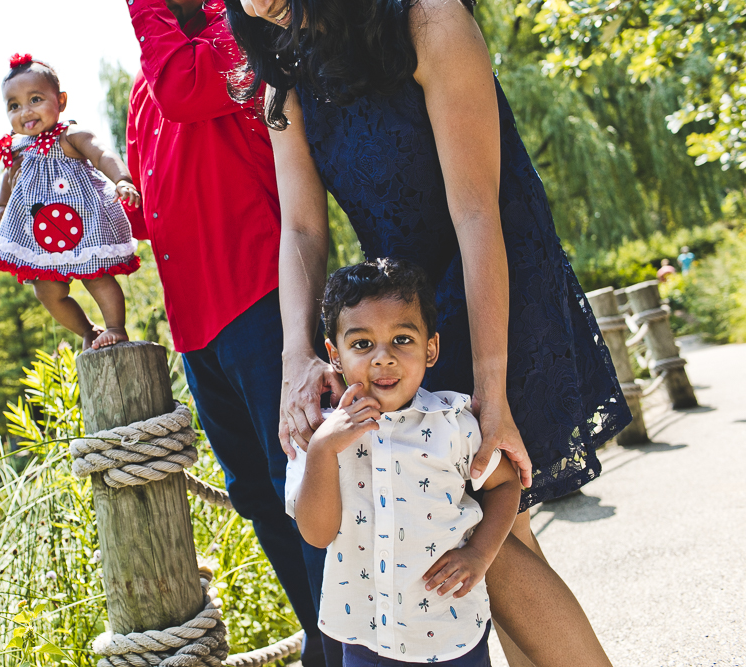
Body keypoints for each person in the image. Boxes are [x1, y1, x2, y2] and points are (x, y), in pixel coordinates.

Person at [223, 1, 631, 665]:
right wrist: (296, 355)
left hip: (497, 287)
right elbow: (301, 230)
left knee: (483, 521)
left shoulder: (429, 19)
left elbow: (477, 213)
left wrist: (492, 393)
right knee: (498, 533)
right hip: (411, 320)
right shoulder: (285, 82)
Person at [122, 3, 336, 665]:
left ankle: (352, 647)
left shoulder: (234, 31)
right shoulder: (147, 79)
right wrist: (65, 193)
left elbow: (186, 91)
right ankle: (323, 643)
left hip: (264, 302)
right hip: (196, 330)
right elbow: (150, 213)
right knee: (257, 496)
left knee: (300, 480)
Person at [286, 259, 521, 666]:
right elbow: (317, 535)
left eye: (402, 340)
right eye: (361, 344)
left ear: (430, 348)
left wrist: (480, 554)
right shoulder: (316, 437)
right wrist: (324, 450)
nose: (384, 358)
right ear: (334, 355)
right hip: (364, 637)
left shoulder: (453, 425)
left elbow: (505, 483)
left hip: (451, 632)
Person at [0, 53, 142, 351]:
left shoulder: (71, 136)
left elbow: (102, 155)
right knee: (46, 290)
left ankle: (115, 327)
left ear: (61, 100)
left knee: (96, 275)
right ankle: (88, 330)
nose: (25, 111)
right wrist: (4, 214)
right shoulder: (17, 149)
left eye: (35, 99)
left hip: (84, 223)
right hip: (40, 233)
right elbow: (7, 186)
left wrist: (123, 180)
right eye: (14, 105)